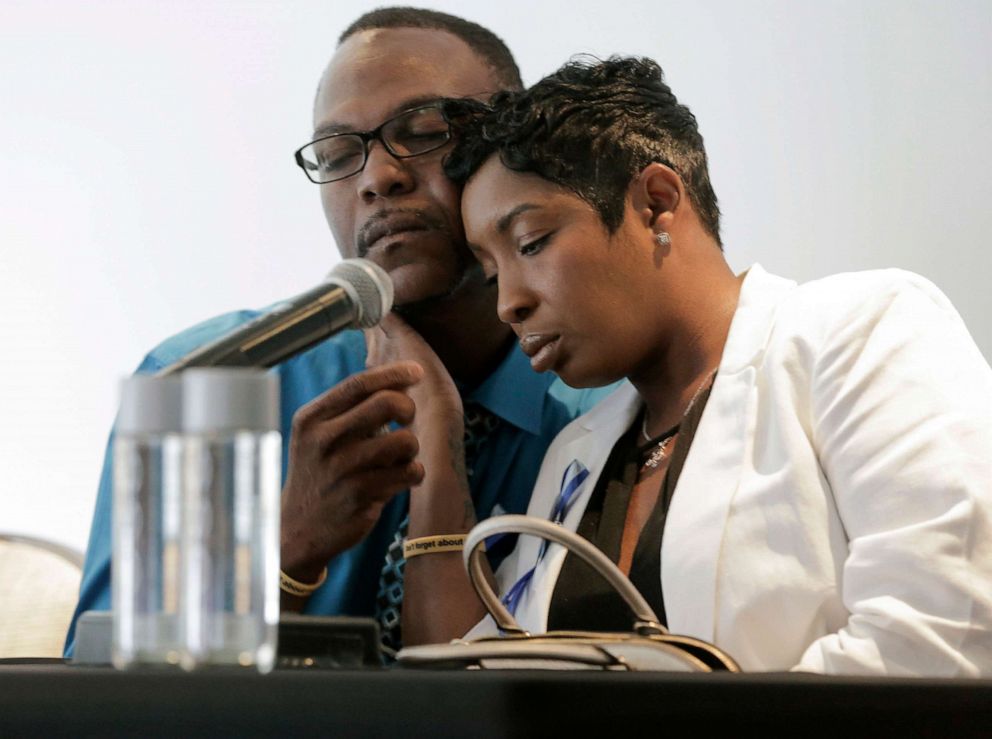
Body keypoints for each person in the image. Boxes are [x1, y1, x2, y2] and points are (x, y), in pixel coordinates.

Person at [64, 8, 611, 657]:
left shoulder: (601, 411)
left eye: (425, 131)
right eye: (337, 155)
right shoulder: (205, 378)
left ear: (517, 144)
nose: (378, 177)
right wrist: (286, 552)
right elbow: (104, 700)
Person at [425, 56, 992, 675]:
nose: (509, 302)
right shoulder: (578, 455)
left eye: (531, 243)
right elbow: (498, 677)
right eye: (491, 273)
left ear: (657, 203)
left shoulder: (860, 332)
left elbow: (949, 630)